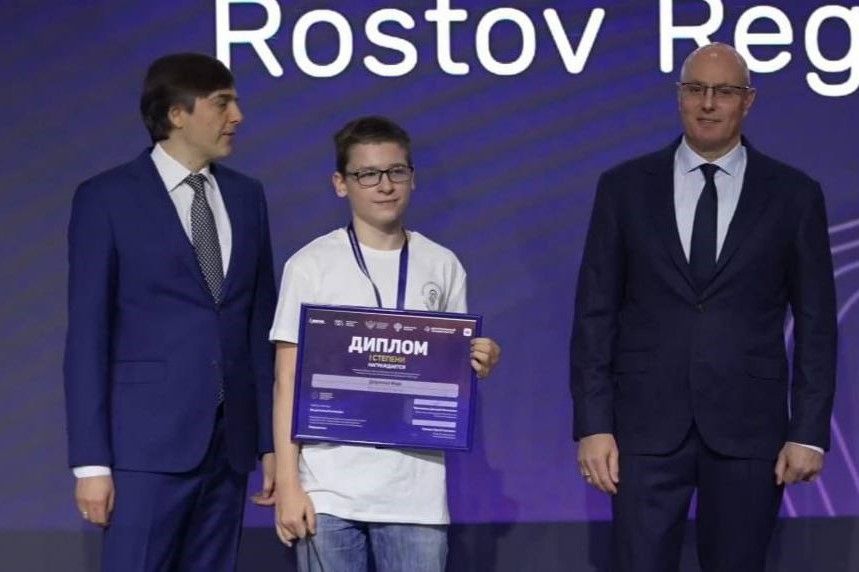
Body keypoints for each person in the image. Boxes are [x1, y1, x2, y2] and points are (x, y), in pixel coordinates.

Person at [570, 43, 837, 571]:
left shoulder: (794, 195)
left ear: (748, 101)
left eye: (724, 91)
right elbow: (594, 314)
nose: (708, 103)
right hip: (642, 431)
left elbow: (817, 325)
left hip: (750, 430)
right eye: (695, 89)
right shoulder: (624, 188)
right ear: (679, 96)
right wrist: (593, 425)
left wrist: (808, 431)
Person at [64, 53, 276, 570]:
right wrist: (90, 463)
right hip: (144, 449)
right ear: (177, 113)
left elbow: (257, 328)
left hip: (230, 449)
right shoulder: (106, 198)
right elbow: (88, 336)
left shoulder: (247, 196)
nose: (238, 116)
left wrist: (270, 444)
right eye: (222, 103)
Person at [269, 116, 501, 571]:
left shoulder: (442, 265)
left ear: (413, 177)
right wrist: (289, 485)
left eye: (396, 171)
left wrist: (479, 360)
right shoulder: (310, 265)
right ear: (341, 184)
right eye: (367, 174)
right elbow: (287, 380)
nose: (385, 185)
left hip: (415, 494)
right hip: (328, 492)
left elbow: (451, 374)